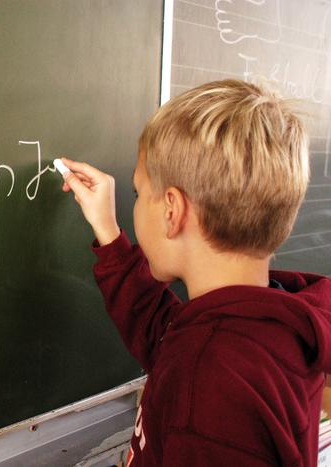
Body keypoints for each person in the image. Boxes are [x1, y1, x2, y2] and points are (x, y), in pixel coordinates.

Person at [60, 79, 331, 466]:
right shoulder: (261, 328)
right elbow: (163, 335)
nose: (134, 205)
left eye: (138, 194)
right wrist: (109, 232)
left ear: (172, 211)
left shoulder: (214, 383)